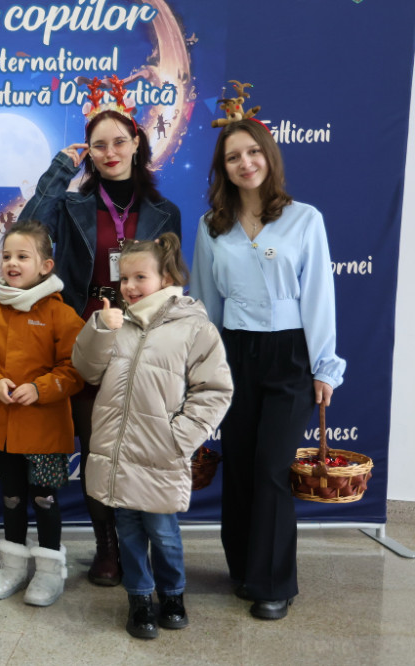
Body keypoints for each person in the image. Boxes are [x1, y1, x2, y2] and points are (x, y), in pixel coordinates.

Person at [19, 94, 182, 586]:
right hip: (89, 333)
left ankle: (140, 545)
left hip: (144, 337)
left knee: (141, 445)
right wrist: (58, 173)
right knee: (97, 447)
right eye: (98, 146)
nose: (110, 153)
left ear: (136, 143)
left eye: (118, 142)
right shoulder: (73, 205)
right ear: (88, 153)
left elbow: (173, 281)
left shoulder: (163, 211)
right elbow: (29, 228)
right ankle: (107, 546)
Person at [190, 115, 345, 620]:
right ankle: (243, 569)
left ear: (268, 156)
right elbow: (205, 303)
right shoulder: (211, 226)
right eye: (233, 157)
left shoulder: (305, 219)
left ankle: (275, 583)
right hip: (234, 354)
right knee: (238, 464)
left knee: (272, 467)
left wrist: (324, 368)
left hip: (289, 354)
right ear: (223, 167)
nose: (245, 163)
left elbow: (318, 297)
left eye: (253, 152)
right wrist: (202, 370)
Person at [72, 234, 232, 639]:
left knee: (163, 533)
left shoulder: (194, 327)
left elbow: (214, 390)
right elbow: (87, 370)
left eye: (139, 277)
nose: (129, 286)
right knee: (127, 531)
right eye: (124, 278)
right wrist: (99, 329)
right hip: (120, 455)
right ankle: (139, 598)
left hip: (160, 454)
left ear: (167, 277)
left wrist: (179, 438)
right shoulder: (117, 322)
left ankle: (172, 595)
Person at [0, 219, 84, 606]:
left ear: (45, 266)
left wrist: (41, 388)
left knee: (44, 500)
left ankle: (49, 572)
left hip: (44, 433)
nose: (12, 263)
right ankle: (12, 566)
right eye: (7, 256)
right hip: (3, 431)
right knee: (11, 498)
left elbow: (76, 369)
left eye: (22, 256)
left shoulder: (62, 316)